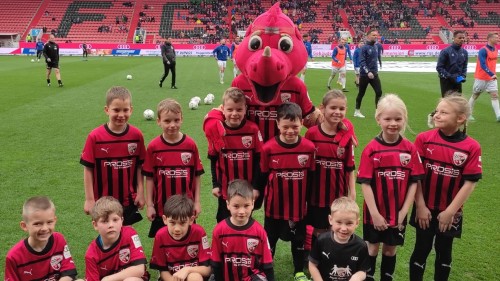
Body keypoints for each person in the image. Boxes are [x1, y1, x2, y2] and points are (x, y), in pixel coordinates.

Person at [409, 95, 482, 281]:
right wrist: (420, 206)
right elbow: (416, 176)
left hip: (450, 212)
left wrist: (450, 211)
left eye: (444, 112)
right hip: (424, 207)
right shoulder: (424, 139)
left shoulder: (471, 147)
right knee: (421, 249)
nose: (437, 115)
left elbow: (469, 183)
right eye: (437, 111)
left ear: (460, 118)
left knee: (444, 251)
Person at [357, 94, 424, 281]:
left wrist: (403, 211)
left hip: (398, 213)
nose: (393, 123)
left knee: (390, 249)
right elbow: (365, 184)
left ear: (404, 119)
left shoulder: (410, 149)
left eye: (398, 119)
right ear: (378, 119)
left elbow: (414, 182)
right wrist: (375, 214)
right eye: (387, 119)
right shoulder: (371, 149)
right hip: (374, 212)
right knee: (372, 247)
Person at [259, 102, 316, 281]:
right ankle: (266, 270)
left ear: (301, 123)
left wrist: (310, 202)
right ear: (277, 124)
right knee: (270, 239)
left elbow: (312, 177)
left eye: (295, 126)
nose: (290, 131)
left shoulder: (308, 148)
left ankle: (298, 270)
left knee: (298, 239)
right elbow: (262, 176)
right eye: (285, 127)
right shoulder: (268, 148)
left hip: (299, 207)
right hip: (274, 206)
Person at [80, 86, 146, 225]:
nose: (121, 115)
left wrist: (141, 192)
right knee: (108, 235)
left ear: (131, 110)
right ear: (107, 110)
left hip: (128, 199)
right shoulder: (95, 137)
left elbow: (140, 166)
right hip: (102, 202)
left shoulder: (136, 135)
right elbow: (88, 169)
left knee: (125, 236)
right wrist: (89, 199)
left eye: (125, 110)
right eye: (116, 110)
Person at [143, 98, 204, 238]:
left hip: (186, 207)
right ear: (158, 121)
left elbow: (196, 176)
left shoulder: (190, 145)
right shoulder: (153, 147)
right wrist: (150, 205)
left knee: (187, 239)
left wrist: (197, 202)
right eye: (167, 121)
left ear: (182, 119)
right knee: (163, 240)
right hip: (161, 208)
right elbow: (149, 178)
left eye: (176, 120)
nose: (172, 125)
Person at [305, 90, 357, 242]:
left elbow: (350, 167)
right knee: (318, 230)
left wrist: (352, 193)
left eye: (341, 109)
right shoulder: (312, 134)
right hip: (316, 194)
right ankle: (315, 258)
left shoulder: (347, 137)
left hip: (338, 195)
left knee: (336, 228)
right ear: (322, 108)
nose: (337, 112)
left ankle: (332, 258)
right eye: (333, 108)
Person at [208, 87, 263, 222]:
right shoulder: (217, 129)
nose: (234, 114)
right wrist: (215, 184)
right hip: (225, 190)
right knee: (222, 220)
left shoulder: (253, 129)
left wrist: (255, 187)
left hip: (247, 189)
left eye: (239, 110)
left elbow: (259, 161)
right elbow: (213, 159)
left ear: (245, 109)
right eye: (230, 109)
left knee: (245, 220)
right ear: (223, 109)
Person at [211, 179, 275, 281]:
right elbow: (216, 263)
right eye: (236, 206)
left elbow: (267, 265)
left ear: (253, 204)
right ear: (228, 204)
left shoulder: (259, 231)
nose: (241, 211)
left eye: (246, 206)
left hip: (251, 277)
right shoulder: (219, 230)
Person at [5, 196, 80, 281]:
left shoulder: (59, 239)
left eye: (49, 222)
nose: (45, 228)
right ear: (24, 226)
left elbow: (68, 272)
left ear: (55, 220)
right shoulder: (14, 256)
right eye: (37, 224)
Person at [85, 196, 149, 281]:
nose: (111, 225)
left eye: (115, 220)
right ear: (95, 225)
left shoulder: (130, 233)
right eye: (105, 221)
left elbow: (139, 270)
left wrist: (108, 279)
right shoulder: (91, 254)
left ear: (122, 220)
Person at [149, 195, 211, 281]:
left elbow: (207, 269)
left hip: (194, 276)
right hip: (171, 279)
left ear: (191, 220)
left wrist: (187, 269)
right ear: (165, 219)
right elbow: (163, 271)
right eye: (172, 223)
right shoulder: (160, 236)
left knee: (194, 277)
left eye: (182, 223)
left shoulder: (199, 232)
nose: (177, 229)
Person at [308, 197, 370, 281]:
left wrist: (357, 277)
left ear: (357, 223)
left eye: (349, 223)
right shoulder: (321, 241)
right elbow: (312, 265)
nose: (343, 228)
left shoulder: (361, 246)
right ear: (330, 220)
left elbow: (363, 271)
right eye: (339, 222)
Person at [429, 30, 468, 128]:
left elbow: (464, 67)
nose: (462, 39)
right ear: (453, 38)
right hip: (446, 81)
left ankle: (456, 122)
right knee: (446, 102)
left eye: (463, 38)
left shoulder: (464, 52)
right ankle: (434, 116)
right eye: (460, 38)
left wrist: (463, 76)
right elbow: (439, 68)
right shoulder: (446, 51)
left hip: (458, 80)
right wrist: (451, 77)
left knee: (458, 102)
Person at [468, 32, 499, 122]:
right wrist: (491, 74)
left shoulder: (495, 49)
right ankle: (468, 114)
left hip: (491, 78)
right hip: (481, 77)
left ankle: (498, 116)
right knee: (475, 95)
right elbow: (482, 64)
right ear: (490, 38)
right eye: (496, 38)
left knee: (495, 95)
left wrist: (492, 75)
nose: (497, 39)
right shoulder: (483, 50)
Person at [354, 29, 383, 118]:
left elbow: (377, 57)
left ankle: (377, 111)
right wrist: (368, 71)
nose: (375, 37)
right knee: (361, 93)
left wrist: (380, 64)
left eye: (376, 35)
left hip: (374, 73)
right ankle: (357, 111)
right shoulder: (364, 47)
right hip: (365, 74)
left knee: (379, 92)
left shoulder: (376, 46)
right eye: (373, 35)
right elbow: (362, 61)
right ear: (368, 36)